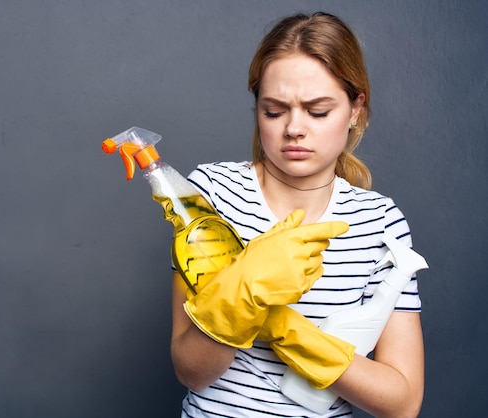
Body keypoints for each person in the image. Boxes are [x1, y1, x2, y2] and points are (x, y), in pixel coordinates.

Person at [170, 12, 424, 418]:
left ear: (356, 108)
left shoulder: (379, 222)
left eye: (318, 111)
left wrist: (290, 331)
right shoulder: (212, 194)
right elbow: (191, 372)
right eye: (274, 111)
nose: (294, 128)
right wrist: (241, 295)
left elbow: (403, 403)